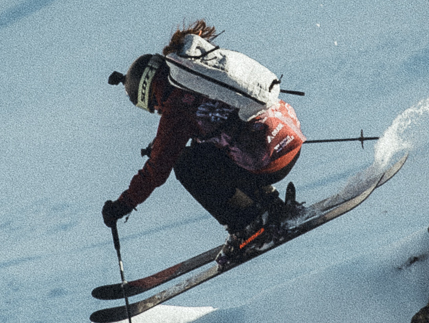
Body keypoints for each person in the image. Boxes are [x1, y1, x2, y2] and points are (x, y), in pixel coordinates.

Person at [101, 21, 303, 249]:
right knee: (209, 152)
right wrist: (163, 142)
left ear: (147, 90)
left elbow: (157, 170)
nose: (155, 111)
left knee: (187, 164)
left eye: (146, 105)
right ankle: (272, 207)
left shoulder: (176, 106)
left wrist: (123, 204)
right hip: (287, 138)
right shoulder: (199, 76)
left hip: (266, 160)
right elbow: (216, 122)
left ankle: (248, 226)